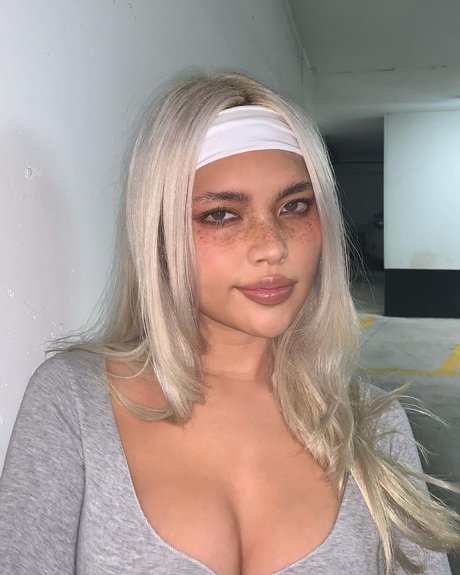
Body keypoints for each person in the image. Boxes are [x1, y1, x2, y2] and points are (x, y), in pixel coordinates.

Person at [0, 72, 459, 575]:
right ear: (159, 234)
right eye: (221, 215)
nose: (273, 247)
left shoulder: (371, 423)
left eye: (294, 207)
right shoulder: (75, 401)